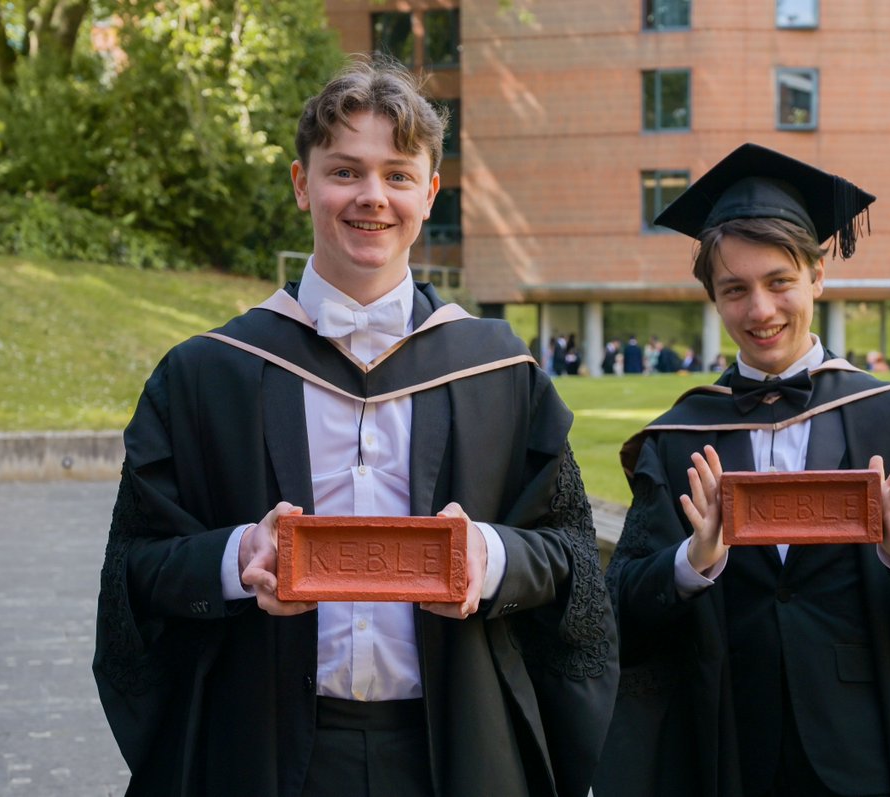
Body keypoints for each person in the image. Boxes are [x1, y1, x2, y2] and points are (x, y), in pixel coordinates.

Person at [93, 57, 618, 797]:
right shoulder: (208, 373)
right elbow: (133, 572)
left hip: (459, 750)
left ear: (430, 192)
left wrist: (488, 557)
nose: (372, 197)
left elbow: (572, 559)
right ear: (303, 183)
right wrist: (235, 556)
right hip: (264, 752)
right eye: (345, 171)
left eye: (398, 175)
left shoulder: (499, 372)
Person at [594, 144, 890, 797]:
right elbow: (613, 611)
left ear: (818, 275)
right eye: (735, 289)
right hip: (727, 751)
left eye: (779, 281)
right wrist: (690, 561)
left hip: (873, 750)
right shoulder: (682, 437)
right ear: (711, 297)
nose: (760, 311)